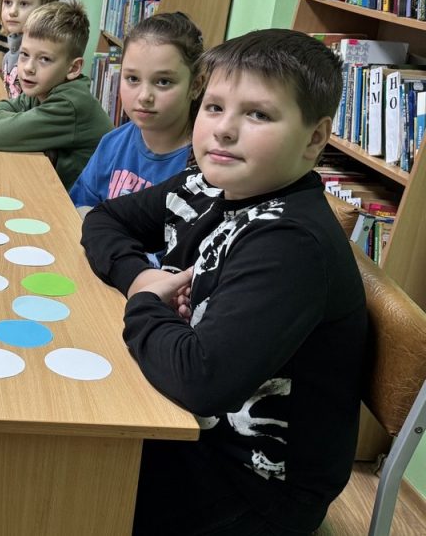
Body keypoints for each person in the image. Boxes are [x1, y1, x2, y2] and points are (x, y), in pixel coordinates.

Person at [82, 29, 367, 535]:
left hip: (251, 486)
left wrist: (145, 302)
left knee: (59, 478)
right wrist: (142, 275)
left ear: (315, 138)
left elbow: (200, 379)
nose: (224, 130)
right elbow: (104, 220)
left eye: (258, 114)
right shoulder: (207, 184)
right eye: (214, 107)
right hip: (190, 428)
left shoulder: (289, 243)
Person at [69, 12, 203, 216]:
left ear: (196, 85)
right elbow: (78, 205)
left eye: (163, 82)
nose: (144, 96)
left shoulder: (205, 167)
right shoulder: (112, 144)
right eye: (132, 78)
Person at [0, 0, 112, 190]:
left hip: (84, 203)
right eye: (24, 54)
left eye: (44, 59)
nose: (28, 68)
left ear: (73, 68)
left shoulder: (69, 104)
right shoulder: (42, 89)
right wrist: (23, 121)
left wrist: (19, 121)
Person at [0, 0, 59, 97]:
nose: (12, 11)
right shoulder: (9, 56)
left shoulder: (46, 61)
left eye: (24, 3)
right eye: (7, 2)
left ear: (45, 6)